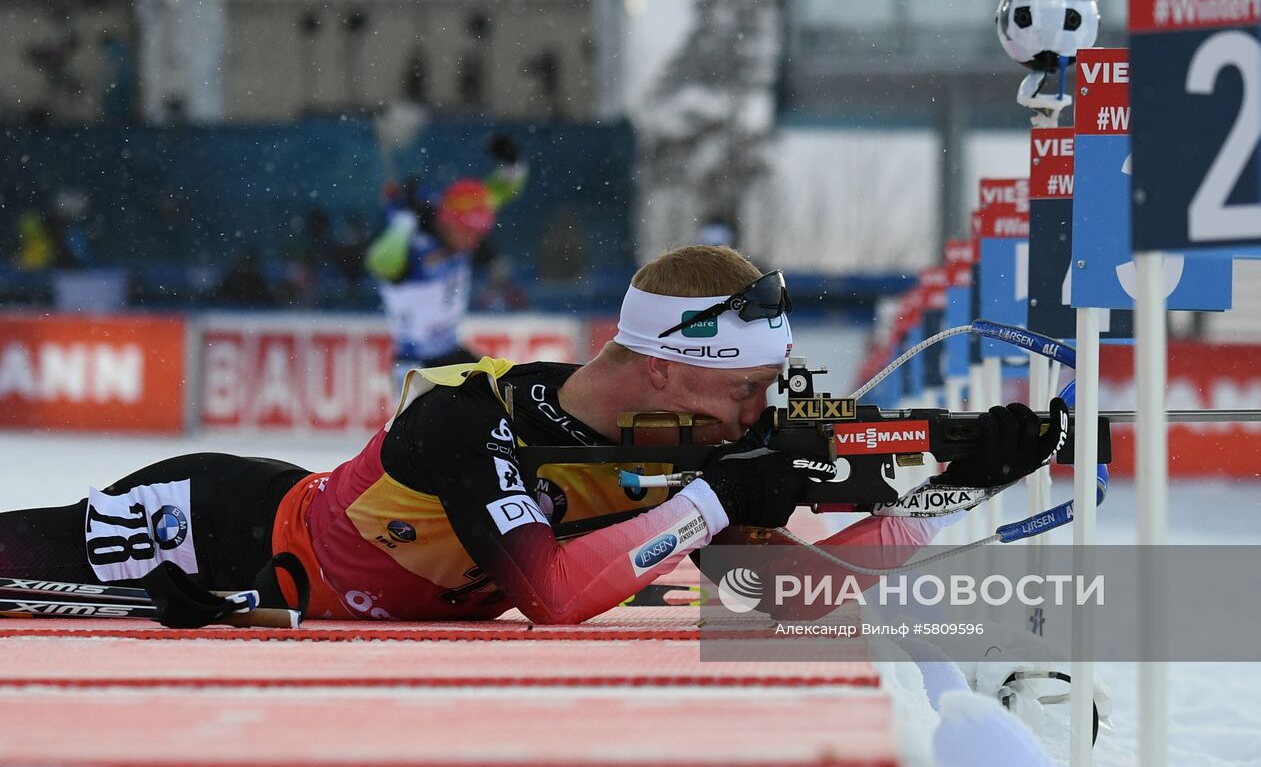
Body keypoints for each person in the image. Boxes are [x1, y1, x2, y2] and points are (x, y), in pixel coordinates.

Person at [0, 245, 1058, 624]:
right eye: (749, 386)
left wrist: (950, 485)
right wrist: (715, 501)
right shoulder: (470, 420)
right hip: (225, 530)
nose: (762, 410)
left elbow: (804, 590)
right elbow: (551, 596)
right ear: (661, 366)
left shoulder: (681, 450)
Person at [365, 134, 527, 387]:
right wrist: (402, 220)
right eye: (467, 232)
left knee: (508, 393)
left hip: (451, 353)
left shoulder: (454, 218)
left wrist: (512, 166)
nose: (473, 240)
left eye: (477, 233)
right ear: (448, 223)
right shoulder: (414, 245)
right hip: (415, 366)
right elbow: (379, 262)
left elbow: (500, 193)